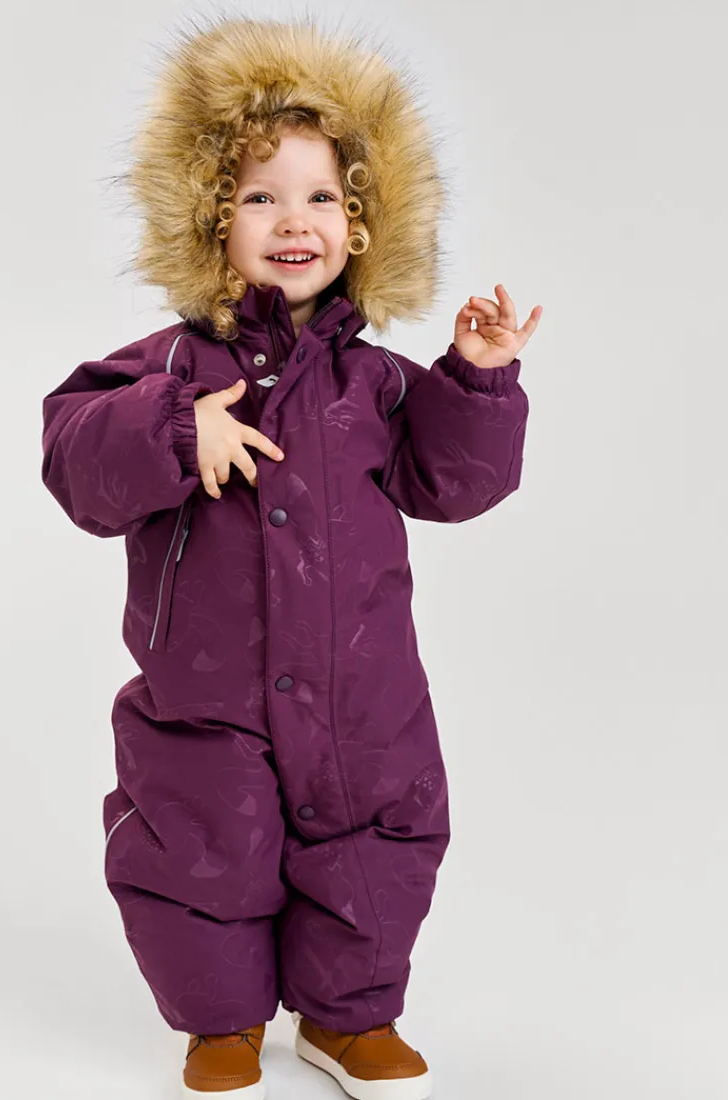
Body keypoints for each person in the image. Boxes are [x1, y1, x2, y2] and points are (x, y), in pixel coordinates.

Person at [41, 14, 541, 1100]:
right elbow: (74, 460)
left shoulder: (379, 383)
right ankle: (220, 1021)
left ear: (363, 224)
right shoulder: (166, 367)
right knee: (199, 843)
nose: (293, 220)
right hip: (206, 696)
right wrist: (176, 428)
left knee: (377, 839)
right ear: (208, 217)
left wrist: (477, 378)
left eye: (322, 196)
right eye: (260, 196)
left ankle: (350, 1018)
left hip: (363, 692)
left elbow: (455, 484)